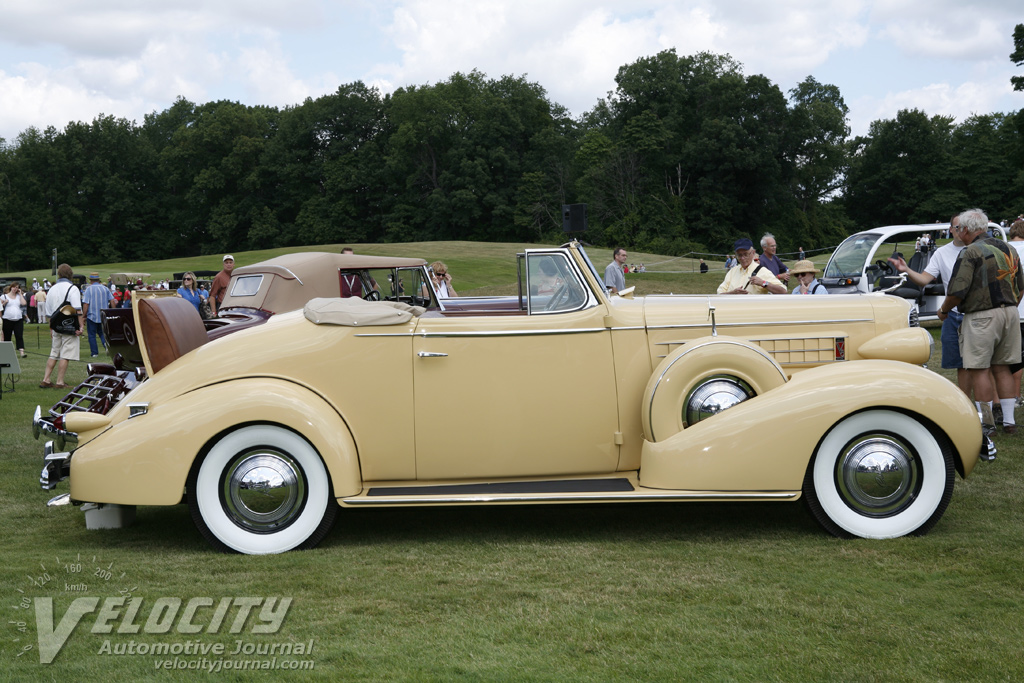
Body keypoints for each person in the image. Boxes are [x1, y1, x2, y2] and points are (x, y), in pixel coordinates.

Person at [939, 209, 1024, 444]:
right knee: (1003, 367)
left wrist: (944, 310)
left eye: (957, 229)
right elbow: (1021, 284)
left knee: (979, 369)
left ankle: (986, 423)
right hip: (1010, 313)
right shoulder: (1009, 248)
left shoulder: (971, 251)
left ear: (965, 229)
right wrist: (1009, 307)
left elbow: (957, 290)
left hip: (982, 316)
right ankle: (1009, 422)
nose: (956, 233)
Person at [890, 214, 972, 397]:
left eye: (964, 227)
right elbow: (924, 279)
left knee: (983, 365)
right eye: (957, 227)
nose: (961, 231)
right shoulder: (941, 253)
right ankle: (967, 404)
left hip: (975, 314)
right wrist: (907, 270)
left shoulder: (978, 249)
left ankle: (995, 408)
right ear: (950, 229)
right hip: (953, 314)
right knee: (960, 364)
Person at [40, 264, 84, 389]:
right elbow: (77, 309)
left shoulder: (52, 289)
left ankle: (46, 379)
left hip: (55, 326)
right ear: (71, 274)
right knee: (66, 354)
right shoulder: (73, 288)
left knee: (54, 352)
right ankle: (60, 382)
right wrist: (81, 326)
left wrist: (51, 328)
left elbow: (49, 313)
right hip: (69, 326)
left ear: (59, 274)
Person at [718, 238, 786, 295]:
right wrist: (733, 293)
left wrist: (763, 283)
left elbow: (783, 291)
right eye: (739, 255)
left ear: (753, 253)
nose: (742, 258)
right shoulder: (732, 271)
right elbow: (719, 295)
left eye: (745, 254)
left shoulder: (763, 271)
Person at [82, 272, 114, 357]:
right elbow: (112, 300)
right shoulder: (105, 288)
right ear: (98, 279)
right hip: (103, 315)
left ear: (91, 280)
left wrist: (84, 315)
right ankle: (106, 345)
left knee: (92, 335)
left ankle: (94, 353)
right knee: (102, 333)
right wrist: (113, 311)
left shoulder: (89, 289)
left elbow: (86, 304)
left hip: (92, 315)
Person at [1, 282, 28, 357]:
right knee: (7, 336)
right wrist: (4, 303)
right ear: (11, 287)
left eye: (17, 287)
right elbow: (0, 307)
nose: (15, 289)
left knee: (19, 336)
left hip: (18, 319)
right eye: (14, 287)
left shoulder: (19, 296)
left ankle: (22, 352)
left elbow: (23, 303)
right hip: (7, 319)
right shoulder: (4, 296)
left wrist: (20, 294)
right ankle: (7, 353)